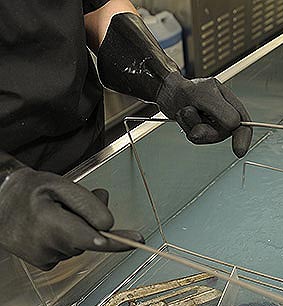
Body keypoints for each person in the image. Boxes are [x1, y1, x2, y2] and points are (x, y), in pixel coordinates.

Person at [0, 0, 252, 271]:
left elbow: (97, 8)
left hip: (84, 162)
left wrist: (166, 80)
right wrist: (5, 193)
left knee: (84, 283)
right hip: (14, 203)